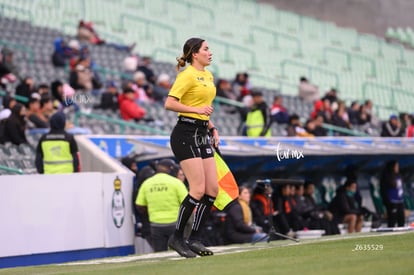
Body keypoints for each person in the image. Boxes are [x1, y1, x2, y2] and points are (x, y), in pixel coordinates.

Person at [164, 37, 219, 258]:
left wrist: (213, 128)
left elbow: (203, 108)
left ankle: (194, 238)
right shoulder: (186, 75)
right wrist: (197, 112)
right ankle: (176, 237)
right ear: (194, 54)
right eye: (206, 49)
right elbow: (169, 103)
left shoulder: (208, 75)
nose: (210, 52)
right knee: (197, 189)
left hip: (202, 133)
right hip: (185, 134)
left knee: (212, 190)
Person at [135, 159, 188, 252]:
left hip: (156, 224)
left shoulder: (147, 183)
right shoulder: (176, 183)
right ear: (170, 169)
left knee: (160, 253)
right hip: (175, 223)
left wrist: (151, 212)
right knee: (178, 252)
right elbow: (187, 203)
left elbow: (140, 205)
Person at [380, 160, 405, 227]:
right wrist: (387, 201)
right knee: (392, 219)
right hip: (392, 201)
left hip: (400, 201)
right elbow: (383, 190)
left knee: (401, 219)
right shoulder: (387, 177)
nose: (397, 168)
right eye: (396, 166)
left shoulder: (398, 176)